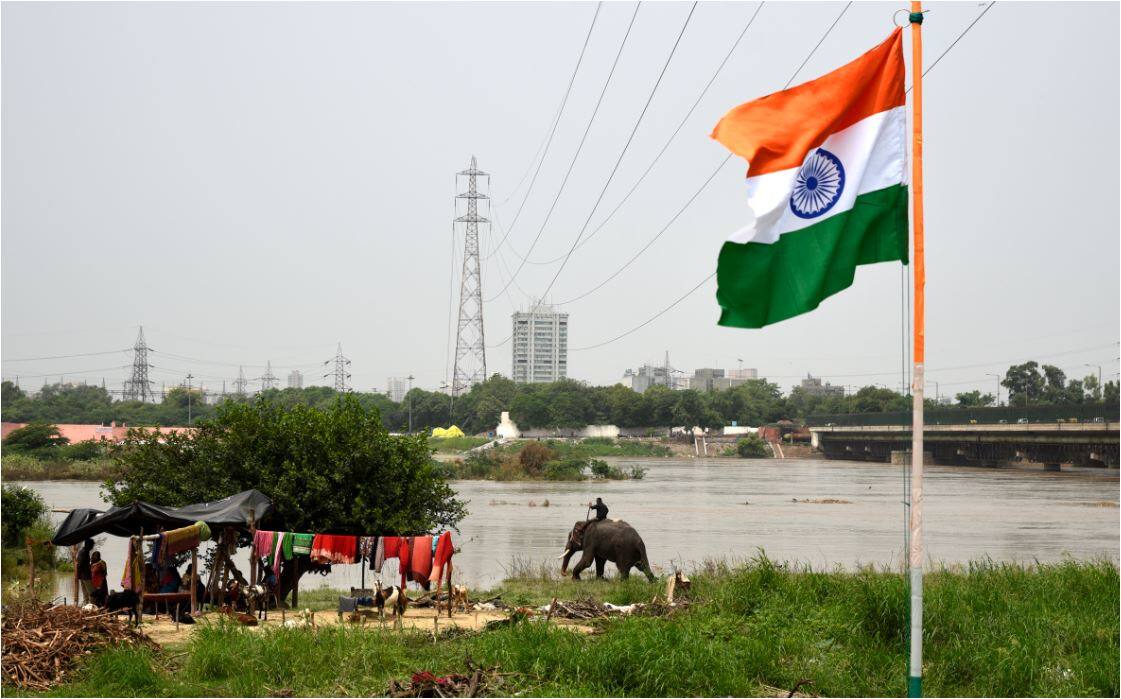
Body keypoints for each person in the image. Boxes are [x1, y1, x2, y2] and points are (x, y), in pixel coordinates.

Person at [75, 539, 94, 604]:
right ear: (88, 545)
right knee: (91, 592)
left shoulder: (83, 551)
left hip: (82, 576)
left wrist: (78, 575)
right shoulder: (84, 552)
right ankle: (91, 605)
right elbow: (80, 564)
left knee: (85, 592)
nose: (92, 546)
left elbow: (79, 563)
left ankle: (86, 605)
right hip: (86, 576)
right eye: (92, 545)